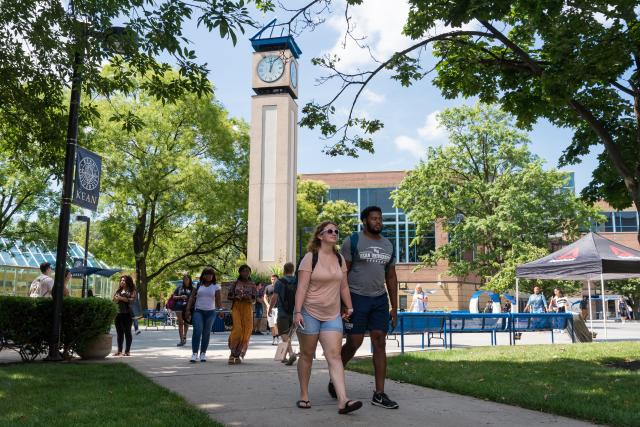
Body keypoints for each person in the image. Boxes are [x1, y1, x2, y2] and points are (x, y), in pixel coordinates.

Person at [294, 221, 361, 414]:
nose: (334, 233)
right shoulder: (310, 258)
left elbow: (344, 286)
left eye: (336, 231)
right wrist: (298, 312)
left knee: (334, 356)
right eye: (329, 231)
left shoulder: (339, 258)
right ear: (320, 236)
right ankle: (304, 395)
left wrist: (349, 306)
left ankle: (343, 400)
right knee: (307, 355)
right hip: (309, 313)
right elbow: (302, 287)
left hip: (332, 314)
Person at [338, 205, 399, 410]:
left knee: (379, 342)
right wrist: (342, 304)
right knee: (353, 342)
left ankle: (379, 394)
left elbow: (391, 278)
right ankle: (335, 376)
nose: (378, 222)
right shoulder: (352, 241)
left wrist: (394, 308)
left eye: (380, 219)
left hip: (379, 299)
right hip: (355, 297)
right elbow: (341, 274)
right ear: (365, 221)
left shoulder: (388, 245)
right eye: (374, 219)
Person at [185, 267, 221, 363]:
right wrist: (188, 309)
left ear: (213, 276)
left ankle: (203, 353)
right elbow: (192, 298)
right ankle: (194, 353)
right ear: (203, 275)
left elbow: (218, 300)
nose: (209, 276)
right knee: (197, 330)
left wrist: (220, 310)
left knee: (206, 333)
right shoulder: (198, 285)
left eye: (210, 274)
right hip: (198, 311)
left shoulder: (216, 286)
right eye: (206, 274)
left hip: (211, 312)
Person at [227, 265, 257, 364]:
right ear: (240, 272)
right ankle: (232, 353)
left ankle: (238, 354)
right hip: (237, 307)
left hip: (247, 308)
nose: (246, 273)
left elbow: (254, 299)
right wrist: (236, 297)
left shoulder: (252, 284)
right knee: (238, 329)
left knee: (247, 330)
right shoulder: (235, 283)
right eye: (244, 271)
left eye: (248, 271)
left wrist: (250, 299)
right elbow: (229, 296)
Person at [270, 262, 297, 365]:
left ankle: (291, 354)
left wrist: (270, 309)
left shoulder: (279, 282)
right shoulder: (297, 281)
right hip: (295, 312)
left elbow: (274, 297)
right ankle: (284, 357)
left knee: (283, 334)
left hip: (282, 312)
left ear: (284, 270)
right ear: (293, 270)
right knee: (288, 335)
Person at [112, 275, 137, 356]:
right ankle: (119, 351)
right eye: (121, 280)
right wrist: (115, 299)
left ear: (128, 282)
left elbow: (132, 300)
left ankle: (127, 351)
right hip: (118, 314)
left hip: (127, 314)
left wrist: (121, 298)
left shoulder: (132, 290)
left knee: (127, 333)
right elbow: (114, 301)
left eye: (124, 280)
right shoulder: (118, 290)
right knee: (119, 333)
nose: (122, 282)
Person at [174, 274, 195, 346]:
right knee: (180, 323)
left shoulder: (193, 289)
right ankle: (181, 340)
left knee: (186, 322)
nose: (185, 280)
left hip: (188, 308)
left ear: (190, 280)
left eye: (187, 279)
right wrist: (180, 296)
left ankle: (184, 336)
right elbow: (173, 297)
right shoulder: (179, 288)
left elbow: (195, 298)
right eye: (184, 279)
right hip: (178, 307)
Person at [266, 274, 279, 345]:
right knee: (271, 325)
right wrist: (267, 305)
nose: (273, 280)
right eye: (272, 279)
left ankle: (277, 338)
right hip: (270, 308)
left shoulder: (280, 287)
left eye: (275, 279)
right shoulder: (268, 287)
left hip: (278, 308)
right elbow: (265, 297)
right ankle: (274, 338)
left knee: (276, 323)